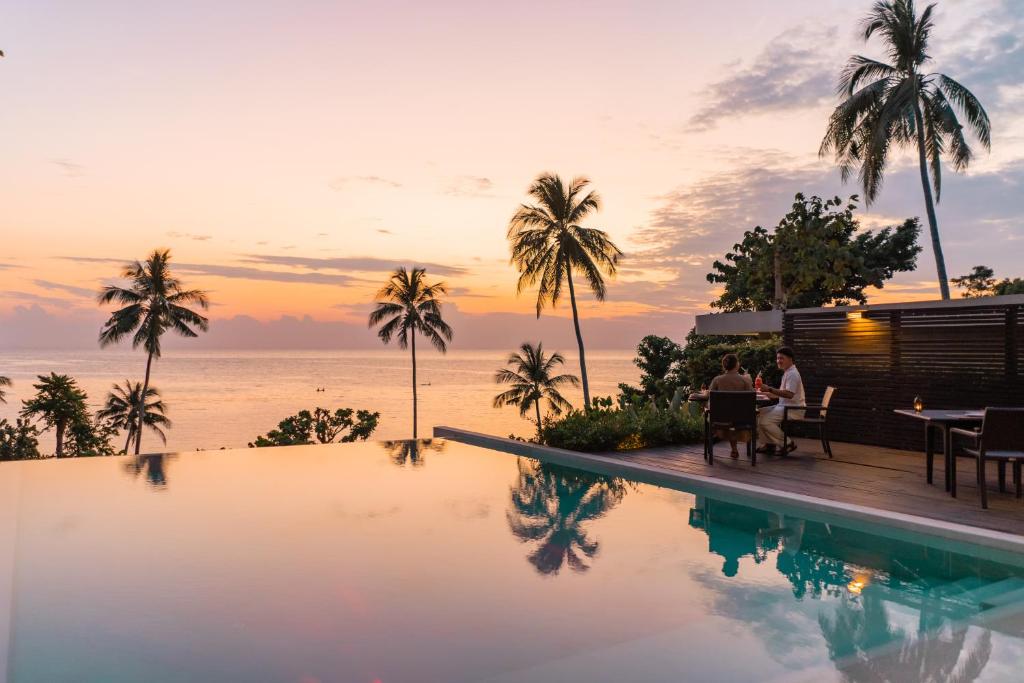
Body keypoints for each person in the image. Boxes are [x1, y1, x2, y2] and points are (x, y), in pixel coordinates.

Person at [756, 346, 805, 455]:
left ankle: (787, 444)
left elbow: (789, 394)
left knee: (765, 421)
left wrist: (769, 388)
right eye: (777, 358)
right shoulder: (787, 372)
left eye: (781, 358)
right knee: (760, 414)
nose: (778, 361)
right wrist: (762, 393)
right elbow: (781, 395)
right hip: (785, 406)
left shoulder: (792, 374)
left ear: (790, 359)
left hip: (793, 409)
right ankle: (769, 445)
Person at [709, 353, 753, 458]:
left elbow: (710, 397)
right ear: (737, 365)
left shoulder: (717, 380)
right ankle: (734, 448)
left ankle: (720, 438)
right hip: (742, 419)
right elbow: (752, 397)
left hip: (721, 419)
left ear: (724, 366)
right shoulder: (745, 380)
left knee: (723, 416)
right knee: (735, 418)